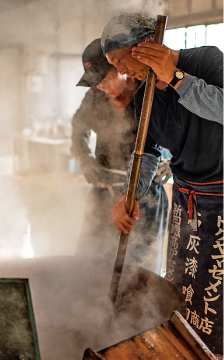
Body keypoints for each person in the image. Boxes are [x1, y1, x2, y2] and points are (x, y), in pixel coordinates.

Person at [101, 13, 224, 355]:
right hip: (186, 199)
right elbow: (148, 153)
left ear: (143, 46)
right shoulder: (145, 97)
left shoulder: (207, 60)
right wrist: (131, 194)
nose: (123, 72)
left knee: (217, 295)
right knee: (183, 286)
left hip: (221, 197)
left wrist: (179, 79)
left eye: (120, 60)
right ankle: (184, 349)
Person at [71, 38, 169, 274]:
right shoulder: (95, 97)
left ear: (122, 68)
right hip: (104, 191)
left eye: (104, 80)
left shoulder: (151, 93)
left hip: (145, 197)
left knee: (139, 273)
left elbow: (185, 135)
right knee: (91, 265)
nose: (100, 87)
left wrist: (174, 165)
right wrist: (85, 159)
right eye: (95, 83)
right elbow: (78, 129)